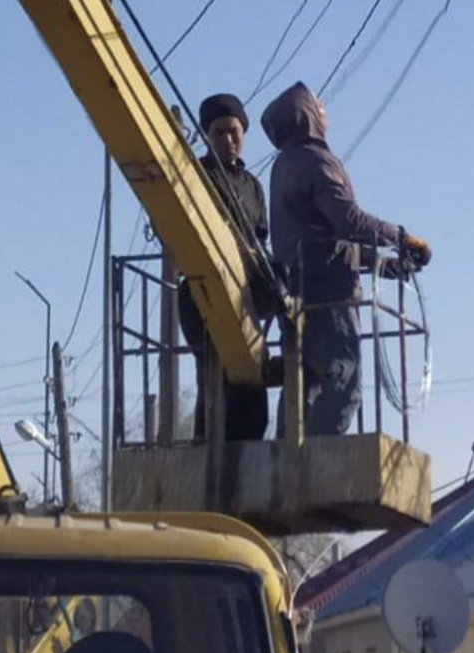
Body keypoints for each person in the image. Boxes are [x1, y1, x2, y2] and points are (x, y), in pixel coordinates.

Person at [260, 81, 430, 436]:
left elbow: (327, 239)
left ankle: (286, 462)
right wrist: (400, 236)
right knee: (343, 386)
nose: (325, 112)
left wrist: (386, 265)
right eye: (318, 106)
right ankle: (315, 472)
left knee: (302, 388)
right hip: (329, 298)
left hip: (297, 293)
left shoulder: (284, 166)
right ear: (306, 114)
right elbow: (348, 222)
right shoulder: (317, 163)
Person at [177, 92, 271, 440]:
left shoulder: (253, 187)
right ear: (206, 136)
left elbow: (261, 242)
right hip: (202, 293)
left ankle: (246, 448)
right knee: (216, 377)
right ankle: (207, 447)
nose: (228, 140)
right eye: (219, 133)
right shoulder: (195, 176)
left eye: (234, 131)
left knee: (251, 378)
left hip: (243, 295)